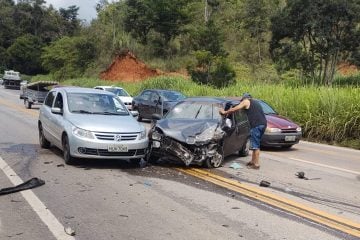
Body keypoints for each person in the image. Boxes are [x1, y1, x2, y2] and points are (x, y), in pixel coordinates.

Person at [219, 93, 267, 169]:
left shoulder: (246, 101)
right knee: (255, 144)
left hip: (256, 125)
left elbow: (235, 109)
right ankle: (253, 161)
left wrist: (225, 112)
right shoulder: (255, 102)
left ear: (244, 98)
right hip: (262, 124)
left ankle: (256, 164)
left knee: (255, 146)